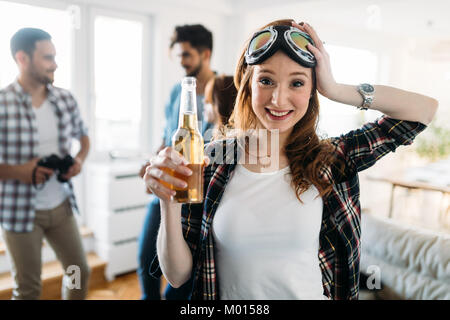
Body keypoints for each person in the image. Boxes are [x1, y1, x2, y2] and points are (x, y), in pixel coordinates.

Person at [144, 19, 437, 300]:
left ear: (313, 90)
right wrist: (168, 202)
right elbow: (178, 275)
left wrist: (335, 89)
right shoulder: (213, 161)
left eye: (297, 83)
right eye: (267, 80)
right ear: (248, 83)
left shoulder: (330, 159)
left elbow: (423, 111)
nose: (278, 99)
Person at [0, 28, 91, 300]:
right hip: (19, 211)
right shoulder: (2, 103)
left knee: (78, 273)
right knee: (28, 289)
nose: (55, 64)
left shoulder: (64, 99)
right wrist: (21, 171)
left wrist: (79, 160)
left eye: (55, 56)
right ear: (22, 59)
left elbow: (84, 137)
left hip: (61, 207)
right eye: (47, 57)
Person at [137, 24, 216, 300]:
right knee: (146, 259)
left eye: (186, 55)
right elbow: (167, 139)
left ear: (205, 53)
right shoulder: (176, 93)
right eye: (178, 55)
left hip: (198, 198)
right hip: (169, 190)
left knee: (179, 279)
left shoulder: (223, 91)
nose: (181, 62)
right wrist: (153, 163)